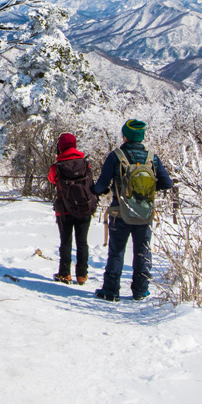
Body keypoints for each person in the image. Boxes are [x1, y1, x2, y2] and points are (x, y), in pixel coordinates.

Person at [92, 118, 173, 301]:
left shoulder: (116, 156)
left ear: (125, 136)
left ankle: (111, 290)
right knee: (143, 252)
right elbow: (167, 183)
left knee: (117, 251)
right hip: (145, 213)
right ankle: (140, 290)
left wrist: (101, 190)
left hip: (120, 212)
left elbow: (101, 185)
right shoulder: (152, 158)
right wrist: (146, 190)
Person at [46, 132, 98, 285]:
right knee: (82, 242)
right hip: (84, 208)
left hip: (64, 209)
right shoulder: (84, 163)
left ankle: (65, 273)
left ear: (60, 147)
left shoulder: (57, 167)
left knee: (66, 241)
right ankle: (82, 274)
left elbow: (51, 179)